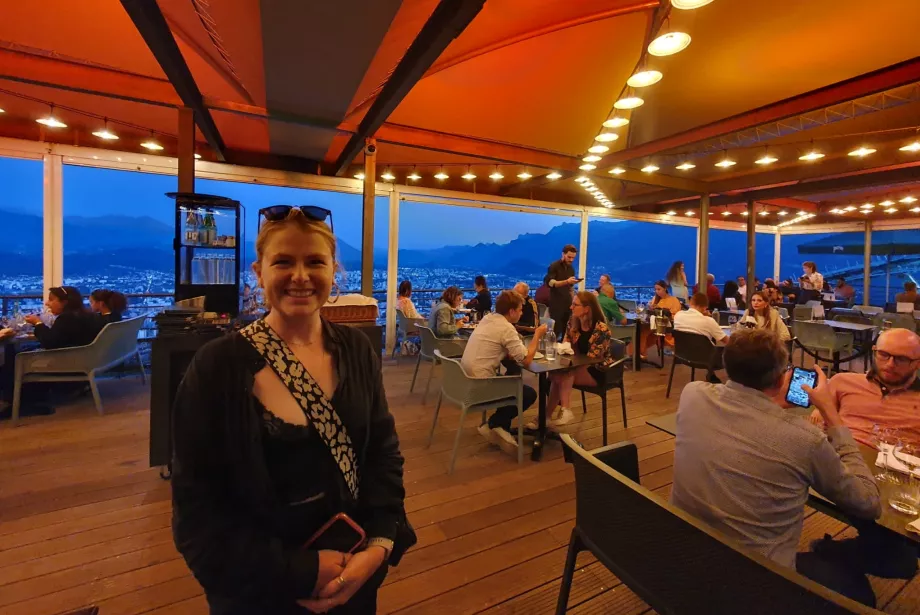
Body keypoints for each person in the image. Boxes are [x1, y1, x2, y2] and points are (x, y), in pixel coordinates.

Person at [171, 207, 409, 614]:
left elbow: (381, 453)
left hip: (355, 570)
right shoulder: (217, 366)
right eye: (283, 261)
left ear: (334, 271)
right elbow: (197, 510)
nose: (300, 276)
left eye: (314, 262)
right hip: (257, 591)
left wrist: (381, 543)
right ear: (258, 272)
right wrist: (298, 571)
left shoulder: (356, 351)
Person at [670, 328, 881, 606]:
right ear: (782, 377)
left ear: (726, 364)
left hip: (684, 555)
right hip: (759, 586)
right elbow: (867, 503)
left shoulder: (692, 394)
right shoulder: (806, 439)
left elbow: (745, 421)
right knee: (862, 595)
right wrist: (832, 414)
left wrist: (770, 404)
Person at [461, 291, 548, 453]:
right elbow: (526, 360)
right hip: (481, 383)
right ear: (512, 311)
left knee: (513, 374)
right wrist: (537, 335)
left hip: (465, 378)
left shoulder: (489, 318)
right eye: (520, 309)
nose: (522, 312)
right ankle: (494, 424)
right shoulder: (506, 328)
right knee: (528, 394)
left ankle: (501, 428)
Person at [809, 328, 920, 446]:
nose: (890, 364)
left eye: (901, 359)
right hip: (840, 456)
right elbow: (817, 424)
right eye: (883, 354)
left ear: (918, 363)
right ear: (874, 352)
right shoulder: (843, 381)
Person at [541, 292, 614, 427]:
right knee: (559, 375)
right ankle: (547, 417)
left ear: (587, 309)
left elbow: (593, 359)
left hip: (598, 370)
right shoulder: (573, 322)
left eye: (575, 304)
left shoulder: (601, 329)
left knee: (563, 375)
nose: (571, 307)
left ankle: (559, 412)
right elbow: (566, 345)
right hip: (578, 365)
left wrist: (567, 365)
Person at [24, 286, 101, 349]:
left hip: (66, 361)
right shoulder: (90, 316)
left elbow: (49, 342)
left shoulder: (67, 319)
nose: (47, 303)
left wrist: (37, 323)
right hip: (85, 360)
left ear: (64, 303)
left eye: (51, 300)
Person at [544, 245, 579, 341]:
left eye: (573, 258)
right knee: (555, 331)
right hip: (556, 304)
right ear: (563, 254)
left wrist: (573, 301)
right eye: (569, 257)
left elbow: (570, 289)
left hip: (567, 304)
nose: (571, 260)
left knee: (565, 331)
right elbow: (551, 283)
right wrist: (566, 281)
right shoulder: (554, 266)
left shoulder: (571, 269)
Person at [640, 280, 681, 359]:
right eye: (655, 289)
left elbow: (675, 315)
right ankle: (641, 353)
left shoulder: (674, 300)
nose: (657, 291)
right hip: (655, 322)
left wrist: (661, 310)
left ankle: (641, 354)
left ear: (665, 288)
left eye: (659, 289)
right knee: (642, 331)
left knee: (643, 332)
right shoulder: (656, 299)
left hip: (666, 325)